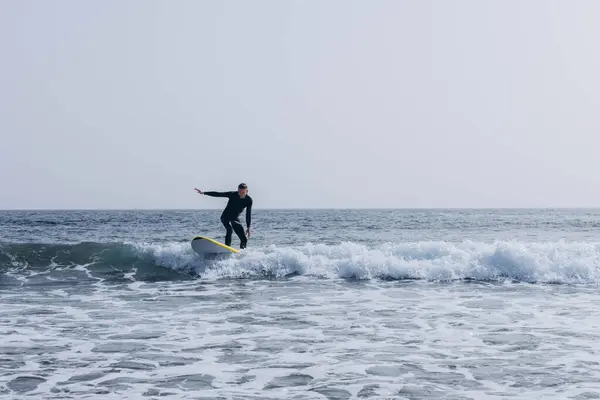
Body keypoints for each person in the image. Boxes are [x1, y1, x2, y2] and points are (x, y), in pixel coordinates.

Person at [194, 183, 252, 249]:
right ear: (237, 190)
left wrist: (248, 227)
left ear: (246, 191)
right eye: (239, 192)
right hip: (225, 217)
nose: (241, 194)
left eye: (243, 192)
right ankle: (227, 248)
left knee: (244, 239)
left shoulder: (249, 200)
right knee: (229, 230)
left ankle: (242, 254)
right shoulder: (232, 194)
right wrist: (204, 193)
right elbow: (218, 194)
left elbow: (248, 214)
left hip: (235, 219)